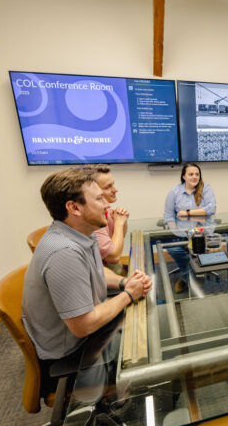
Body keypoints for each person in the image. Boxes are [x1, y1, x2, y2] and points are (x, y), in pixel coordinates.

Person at [22, 168, 152, 395]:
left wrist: (124, 282)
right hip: (73, 353)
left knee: (147, 326)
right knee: (153, 366)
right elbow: (84, 325)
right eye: (99, 199)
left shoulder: (81, 231)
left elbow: (98, 271)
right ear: (74, 208)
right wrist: (129, 294)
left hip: (85, 331)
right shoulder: (64, 253)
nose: (107, 205)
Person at [82, 164, 129, 265]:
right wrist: (119, 223)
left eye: (113, 184)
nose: (115, 190)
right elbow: (113, 256)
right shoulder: (92, 217)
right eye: (108, 187)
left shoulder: (107, 207)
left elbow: (119, 236)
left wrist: (121, 221)